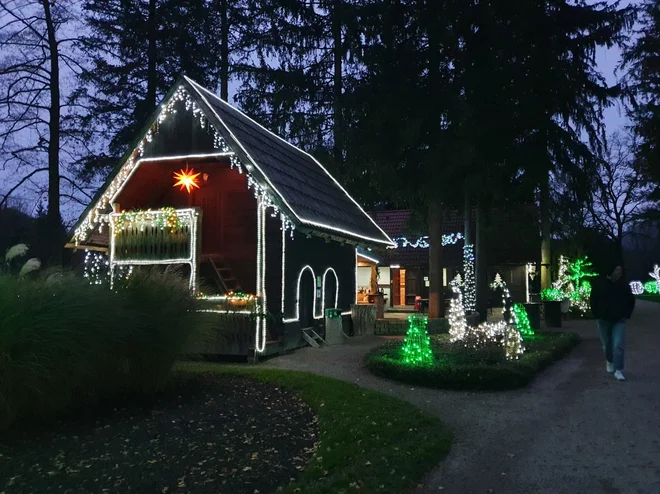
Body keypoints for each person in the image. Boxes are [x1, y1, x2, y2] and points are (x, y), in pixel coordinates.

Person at [590, 262, 635, 381]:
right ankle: (609, 360)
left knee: (618, 345)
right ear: (611, 271)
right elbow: (593, 299)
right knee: (607, 344)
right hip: (603, 319)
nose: (619, 274)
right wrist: (596, 314)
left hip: (619, 319)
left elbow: (631, 300)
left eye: (620, 271)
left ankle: (619, 370)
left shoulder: (623, 285)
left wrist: (627, 314)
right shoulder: (600, 284)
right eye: (617, 271)